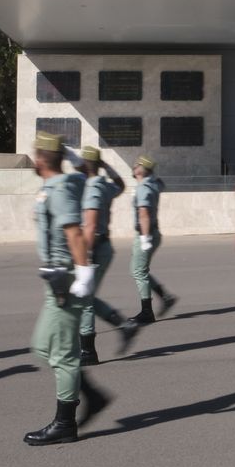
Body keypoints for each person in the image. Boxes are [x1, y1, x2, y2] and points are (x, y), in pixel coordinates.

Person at [22, 132, 109, 445]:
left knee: (62, 355)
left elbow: (74, 233)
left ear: (41, 159)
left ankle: (65, 423)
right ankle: (92, 394)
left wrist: (83, 274)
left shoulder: (59, 189)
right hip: (54, 278)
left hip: (64, 279)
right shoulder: (59, 184)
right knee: (42, 346)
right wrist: (73, 159)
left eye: (35, 155)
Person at [73, 146, 140, 365]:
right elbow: (120, 184)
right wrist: (107, 166)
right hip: (103, 245)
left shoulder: (92, 187)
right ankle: (124, 326)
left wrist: (85, 255)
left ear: (84, 165)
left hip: (94, 246)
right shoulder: (104, 185)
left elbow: (90, 225)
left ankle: (88, 351)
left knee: (85, 300)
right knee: (86, 297)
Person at [126, 155, 178, 325]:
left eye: (137, 165)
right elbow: (160, 184)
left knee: (138, 271)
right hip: (153, 233)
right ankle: (165, 297)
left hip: (146, 233)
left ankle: (147, 311)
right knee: (140, 270)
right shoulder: (152, 184)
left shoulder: (143, 188)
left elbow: (144, 213)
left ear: (142, 170)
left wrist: (144, 237)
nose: (134, 167)